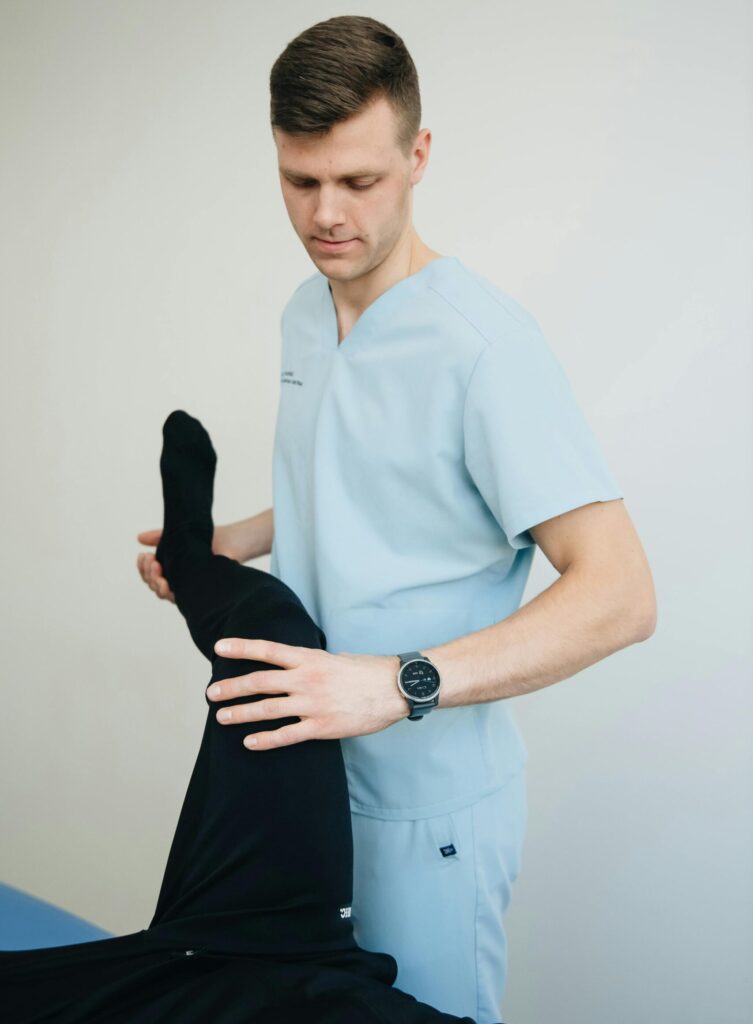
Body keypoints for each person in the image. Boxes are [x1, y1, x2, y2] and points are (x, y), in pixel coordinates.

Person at [137, 16, 657, 1023]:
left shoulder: (484, 349)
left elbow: (621, 593)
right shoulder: (306, 311)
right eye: (300, 180)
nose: (326, 214)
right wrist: (235, 540)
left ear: (418, 156)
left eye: (359, 181)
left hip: (426, 810)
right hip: (299, 785)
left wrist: (394, 683)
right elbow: (367, 476)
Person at [1, 409, 490, 1024]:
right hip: (299, 968)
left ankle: (188, 554)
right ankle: (189, 555)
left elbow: (606, 600)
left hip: (221, 978)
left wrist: (395, 685)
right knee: (276, 642)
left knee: (275, 642)